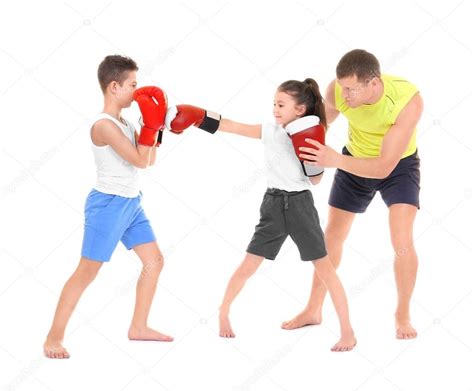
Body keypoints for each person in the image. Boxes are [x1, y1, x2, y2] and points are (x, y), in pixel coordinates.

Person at [163, 78, 357, 351]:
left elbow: (315, 181)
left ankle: (347, 331)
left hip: (301, 205)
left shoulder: (313, 131)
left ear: (300, 110)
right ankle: (223, 312)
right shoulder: (270, 131)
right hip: (273, 205)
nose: (275, 109)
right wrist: (198, 117)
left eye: (281, 104)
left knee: (325, 270)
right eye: (273, 104)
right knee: (248, 266)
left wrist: (315, 162)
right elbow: (231, 126)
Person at [283, 49, 423, 340]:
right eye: (341, 86)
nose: (343, 94)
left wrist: (333, 161)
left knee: (402, 242)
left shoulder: (407, 102)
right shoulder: (337, 90)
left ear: (373, 83)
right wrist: (300, 150)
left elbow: (384, 167)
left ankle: (402, 314)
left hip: (398, 167)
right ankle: (313, 309)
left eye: (351, 89)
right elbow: (323, 125)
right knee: (331, 236)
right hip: (353, 158)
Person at [43, 55, 173, 359]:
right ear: (114, 87)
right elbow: (140, 159)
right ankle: (53, 337)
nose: (137, 91)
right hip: (108, 205)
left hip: (131, 203)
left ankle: (138, 327)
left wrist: (154, 128)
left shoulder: (126, 122)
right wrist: (150, 127)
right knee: (86, 273)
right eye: (133, 85)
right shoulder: (103, 125)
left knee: (154, 261)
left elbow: (148, 162)